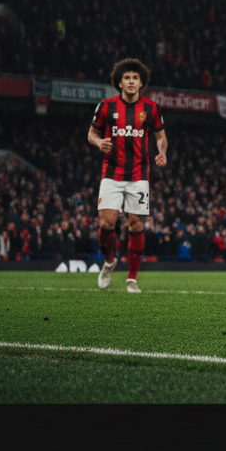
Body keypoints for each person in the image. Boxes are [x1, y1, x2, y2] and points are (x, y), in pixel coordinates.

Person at [88, 58, 167, 293]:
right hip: (111, 173)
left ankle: (132, 278)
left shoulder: (151, 108)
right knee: (107, 222)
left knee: (135, 224)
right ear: (119, 83)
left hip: (139, 175)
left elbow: (161, 136)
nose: (131, 82)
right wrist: (98, 142)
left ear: (141, 82)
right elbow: (91, 133)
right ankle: (109, 261)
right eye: (127, 78)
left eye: (135, 78)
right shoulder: (106, 106)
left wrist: (161, 152)